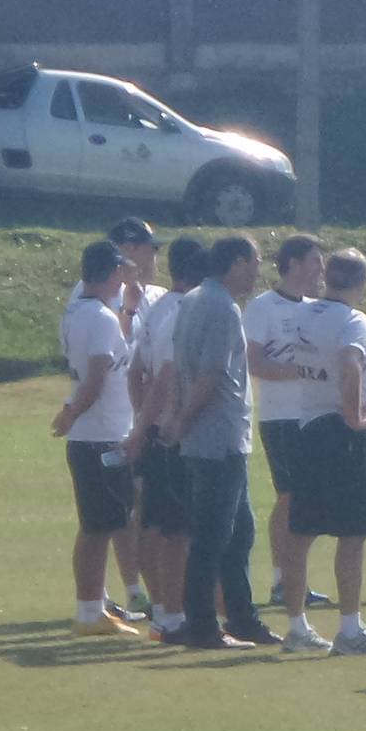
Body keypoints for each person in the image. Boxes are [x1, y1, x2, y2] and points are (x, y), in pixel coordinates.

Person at [278, 249, 366, 654]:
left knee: (301, 531)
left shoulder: (304, 314)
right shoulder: (352, 320)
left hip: (307, 426)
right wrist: (352, 416)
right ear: (361, 282)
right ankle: (349, 629)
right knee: (353, 532)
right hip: (343, 432)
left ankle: (297, 625)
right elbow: (349, 364)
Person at [168, 235, 277, 649]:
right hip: (218, 437)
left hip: (215, 435)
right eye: (254, 261)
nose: (257, 270)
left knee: (239, 531)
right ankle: (202, 625)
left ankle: (243, 617)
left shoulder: (194, 298)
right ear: (235, 262)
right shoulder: (221, 307)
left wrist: (179, 418)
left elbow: (181, 367)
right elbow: (210, 376)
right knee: (213, 535)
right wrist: (183, 419)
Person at [52, 238, 141, 638]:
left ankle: (93, 606)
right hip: (102, 436)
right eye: (121, 271)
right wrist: (72, 412)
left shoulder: (81, 312)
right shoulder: (99, 318)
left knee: (97, 525)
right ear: (111, 274)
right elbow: (98, 374)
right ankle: (90, 611)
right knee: (99, 527)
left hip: (96, 434)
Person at [126, 236, 207, 639]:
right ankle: (174, 613)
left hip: (156, 427)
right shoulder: (187, 312)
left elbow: (135, 371)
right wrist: (164, 421)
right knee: (178, 529)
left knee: (155, 522)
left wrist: (143, 420)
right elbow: (167, 375)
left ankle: (162, 607)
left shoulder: (155, 310)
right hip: (177, 432)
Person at [246, 234, 328, 609]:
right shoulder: (263, 307)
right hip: (281, 417)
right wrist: (302, 369)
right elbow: (255, 363)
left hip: (312, 417)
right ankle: (283, 581)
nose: (321, 268)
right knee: (290, 497)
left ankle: (295, 580)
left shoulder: (317, 309)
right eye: (315, 260)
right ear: (293, 263)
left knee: (306, 498)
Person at [102, 217, 160, 615]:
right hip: (115, 415)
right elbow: (115, 349)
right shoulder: (100, 294)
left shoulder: (156, 294)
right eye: (149, 248)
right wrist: (128, 306)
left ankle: (145, 585)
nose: (155, 256)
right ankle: (130, 587)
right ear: (128, 250)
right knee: (118, 506)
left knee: (144, 503)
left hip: (145, 412)